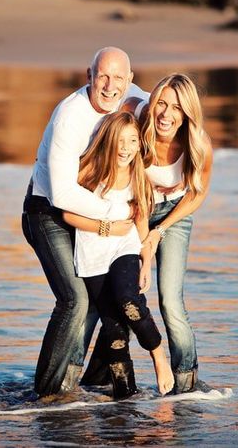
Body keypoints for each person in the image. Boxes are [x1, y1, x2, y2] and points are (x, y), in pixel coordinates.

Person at [21, 47, 148, 398]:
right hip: (45, 213)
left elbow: (164, 108)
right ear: (89, 76)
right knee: (74, 300)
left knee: (105, 296)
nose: (110, 86)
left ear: (129, 80)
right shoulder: (70, 116)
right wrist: (121, 215)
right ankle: (47, 394)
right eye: (102, 77)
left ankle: (88, 382)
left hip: (93, 212)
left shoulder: (129, 95)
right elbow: (62, 196)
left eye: (118, 79)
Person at [62, 111, 174, 398]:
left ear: (139, 144)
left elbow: (142, 227)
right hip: (92, 253)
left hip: (125, 248)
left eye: (132, 141)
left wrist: (146, 263)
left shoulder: (139, 177)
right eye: (120, 141)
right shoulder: (90, 171)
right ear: (109, 141)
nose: (125, 148)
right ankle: (126, 396)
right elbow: (67, 213)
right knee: (113, 332)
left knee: (129, 301)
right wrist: (105, 228)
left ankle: (158, 354)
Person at [137, 73, 214, 393]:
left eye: (177, 109)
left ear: (187, 114)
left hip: (175, 215)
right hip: (134, 211)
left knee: (170, 301)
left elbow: (197, 194)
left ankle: (187, 383)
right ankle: (110, 377)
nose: (166, 115)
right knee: (128, 295)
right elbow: (135, 196)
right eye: (162, 104)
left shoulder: (199, 144)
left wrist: (161, 231)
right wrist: (145, 242)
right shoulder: (138, 128)